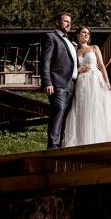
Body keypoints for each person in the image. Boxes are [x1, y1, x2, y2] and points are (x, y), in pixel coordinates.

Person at [63, 26, 111, 146]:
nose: (86, 35)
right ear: (77, 35)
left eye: (88, 33)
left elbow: (102, 65)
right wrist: (79, 69)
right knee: (83, 108)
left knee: (99, 107)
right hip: (81, 82)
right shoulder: (74, 50)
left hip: (95, 80)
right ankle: (83, 138)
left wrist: (107, 81)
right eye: (83, 32)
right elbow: (70, 68)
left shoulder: (94, 48)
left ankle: (102, 137)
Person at [40, 12, 78, 149]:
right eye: (65, 21)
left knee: (66, 115)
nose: (68, 24)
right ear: (57, 22)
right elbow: (45, 61)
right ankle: (53, 146)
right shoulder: (50, 37)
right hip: (58, 83)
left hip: (72, 84)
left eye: (70, 22)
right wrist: (47, 82)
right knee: (58, 111)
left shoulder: (70, 41)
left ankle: (60, 144)